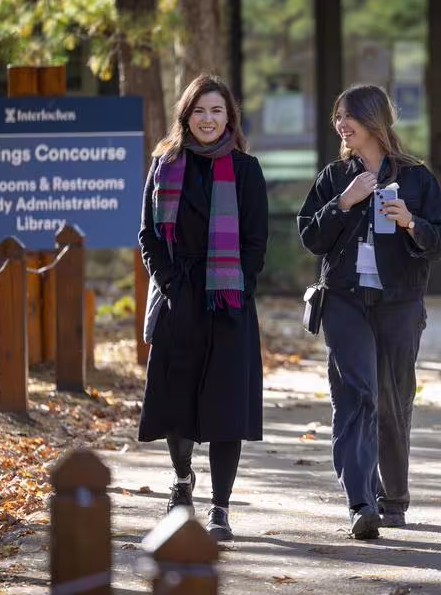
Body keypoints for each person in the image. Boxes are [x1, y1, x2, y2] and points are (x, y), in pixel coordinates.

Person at [297, 84, 441, 540]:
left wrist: (410, 223)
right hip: (344, 300)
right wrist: (344, 202)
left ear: (375, 121)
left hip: (399, 303)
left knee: (392, 398)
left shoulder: (417, 177)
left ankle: (393, 500)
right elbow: (309, 236)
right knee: (356, 395)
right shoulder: (333, 177)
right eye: (338, 117)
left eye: (349, 116)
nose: (341, 125)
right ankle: (361, 502)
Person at [138, 73, 268, 542]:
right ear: (186, 116)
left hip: (229, 299)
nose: (208, 119)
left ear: (229, 117)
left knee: (225, 405)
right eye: (199, 111)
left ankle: (221, 507)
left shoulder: (246, 169)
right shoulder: (165, 163)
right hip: (179, 296)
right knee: (178, 400)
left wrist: (238, 288)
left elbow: (256, 241)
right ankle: (181, 480)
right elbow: (147, 235)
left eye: (217, 111)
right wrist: (170, 282)